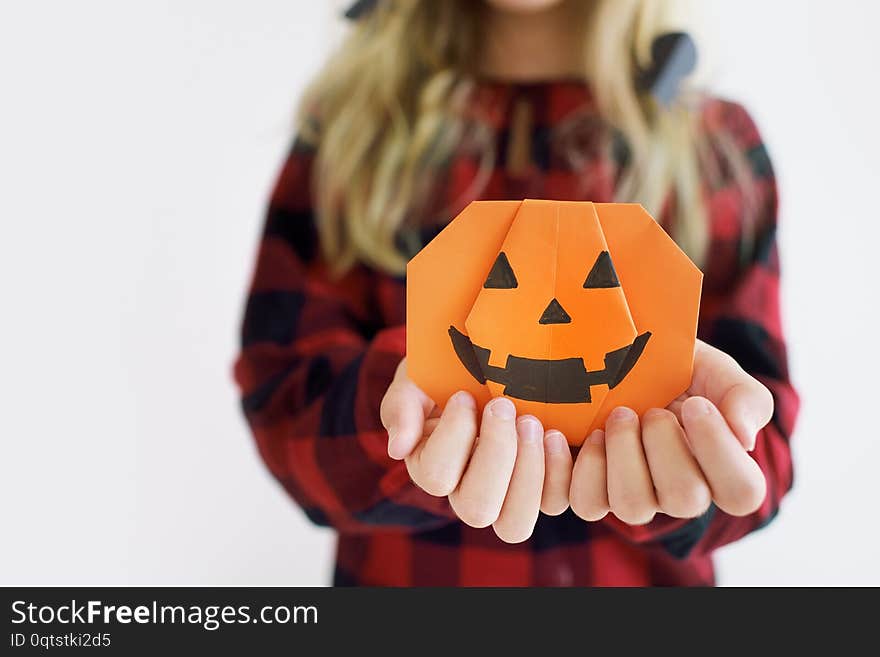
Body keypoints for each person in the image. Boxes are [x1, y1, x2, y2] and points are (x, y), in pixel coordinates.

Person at [234, 0, 799, 586]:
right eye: (504, 281)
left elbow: (766, 445)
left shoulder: (713, 145)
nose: (551, 321)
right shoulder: (348, 135)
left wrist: (700, 463)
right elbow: (284, 405)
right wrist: (411, 408)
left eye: (598, 282)